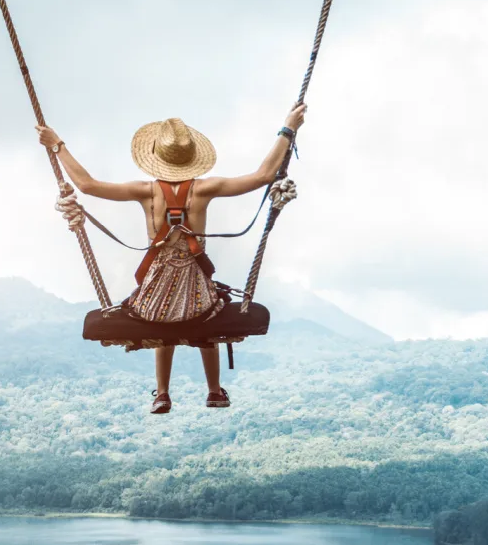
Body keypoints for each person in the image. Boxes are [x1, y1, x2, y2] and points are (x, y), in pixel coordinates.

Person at [36, 102, 307, 414]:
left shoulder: (146, 191)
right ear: (191, 158)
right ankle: (214, 390)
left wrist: (57, 145)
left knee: (161, 318)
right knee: (211, 308)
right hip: (197, 297)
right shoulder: (206, 188)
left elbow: (87, 185)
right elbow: (263, 175)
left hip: (155, 297)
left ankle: (162, 393)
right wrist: (289, 128)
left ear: (156, 158)